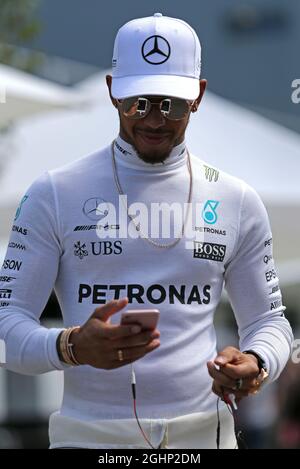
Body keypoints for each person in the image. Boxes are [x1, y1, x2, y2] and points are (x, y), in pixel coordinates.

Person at [0, 13, 293, 449]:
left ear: (198, 96)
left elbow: (269, 322)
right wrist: (71, 346)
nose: (154, 120)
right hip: (88, 438)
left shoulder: (237, 200)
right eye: (138, 102)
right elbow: (6, 324)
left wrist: (255, 360)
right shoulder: (54, 193)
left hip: (202, 438)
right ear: (112, 91)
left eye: (172, 104)